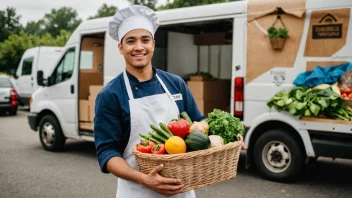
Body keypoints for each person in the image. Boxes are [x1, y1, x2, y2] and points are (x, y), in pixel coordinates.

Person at [93, 5, 204, 198]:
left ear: (153, 44)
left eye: (145, 40)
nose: (139, 47)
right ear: (121, 48)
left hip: (182, 191)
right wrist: (143, 179)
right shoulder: (110, 95)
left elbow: (199, 125)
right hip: (137, 191)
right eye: (130, 41)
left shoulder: (175, 84)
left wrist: (228, 137)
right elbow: (107, 152)